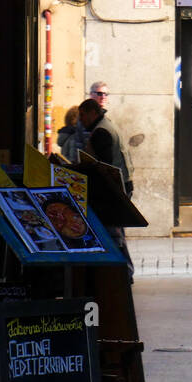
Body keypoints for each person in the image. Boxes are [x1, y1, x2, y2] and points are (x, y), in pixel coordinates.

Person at [78, 95, 135, 278]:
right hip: (122, 183)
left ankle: (124, 271)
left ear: (93, 113)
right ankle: (124, 271)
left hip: (114, 187)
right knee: (117, 231)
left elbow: (104, 166)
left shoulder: (101, 132)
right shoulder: (106, 125)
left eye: (83, 115)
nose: (81, 120)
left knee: (114, 232)